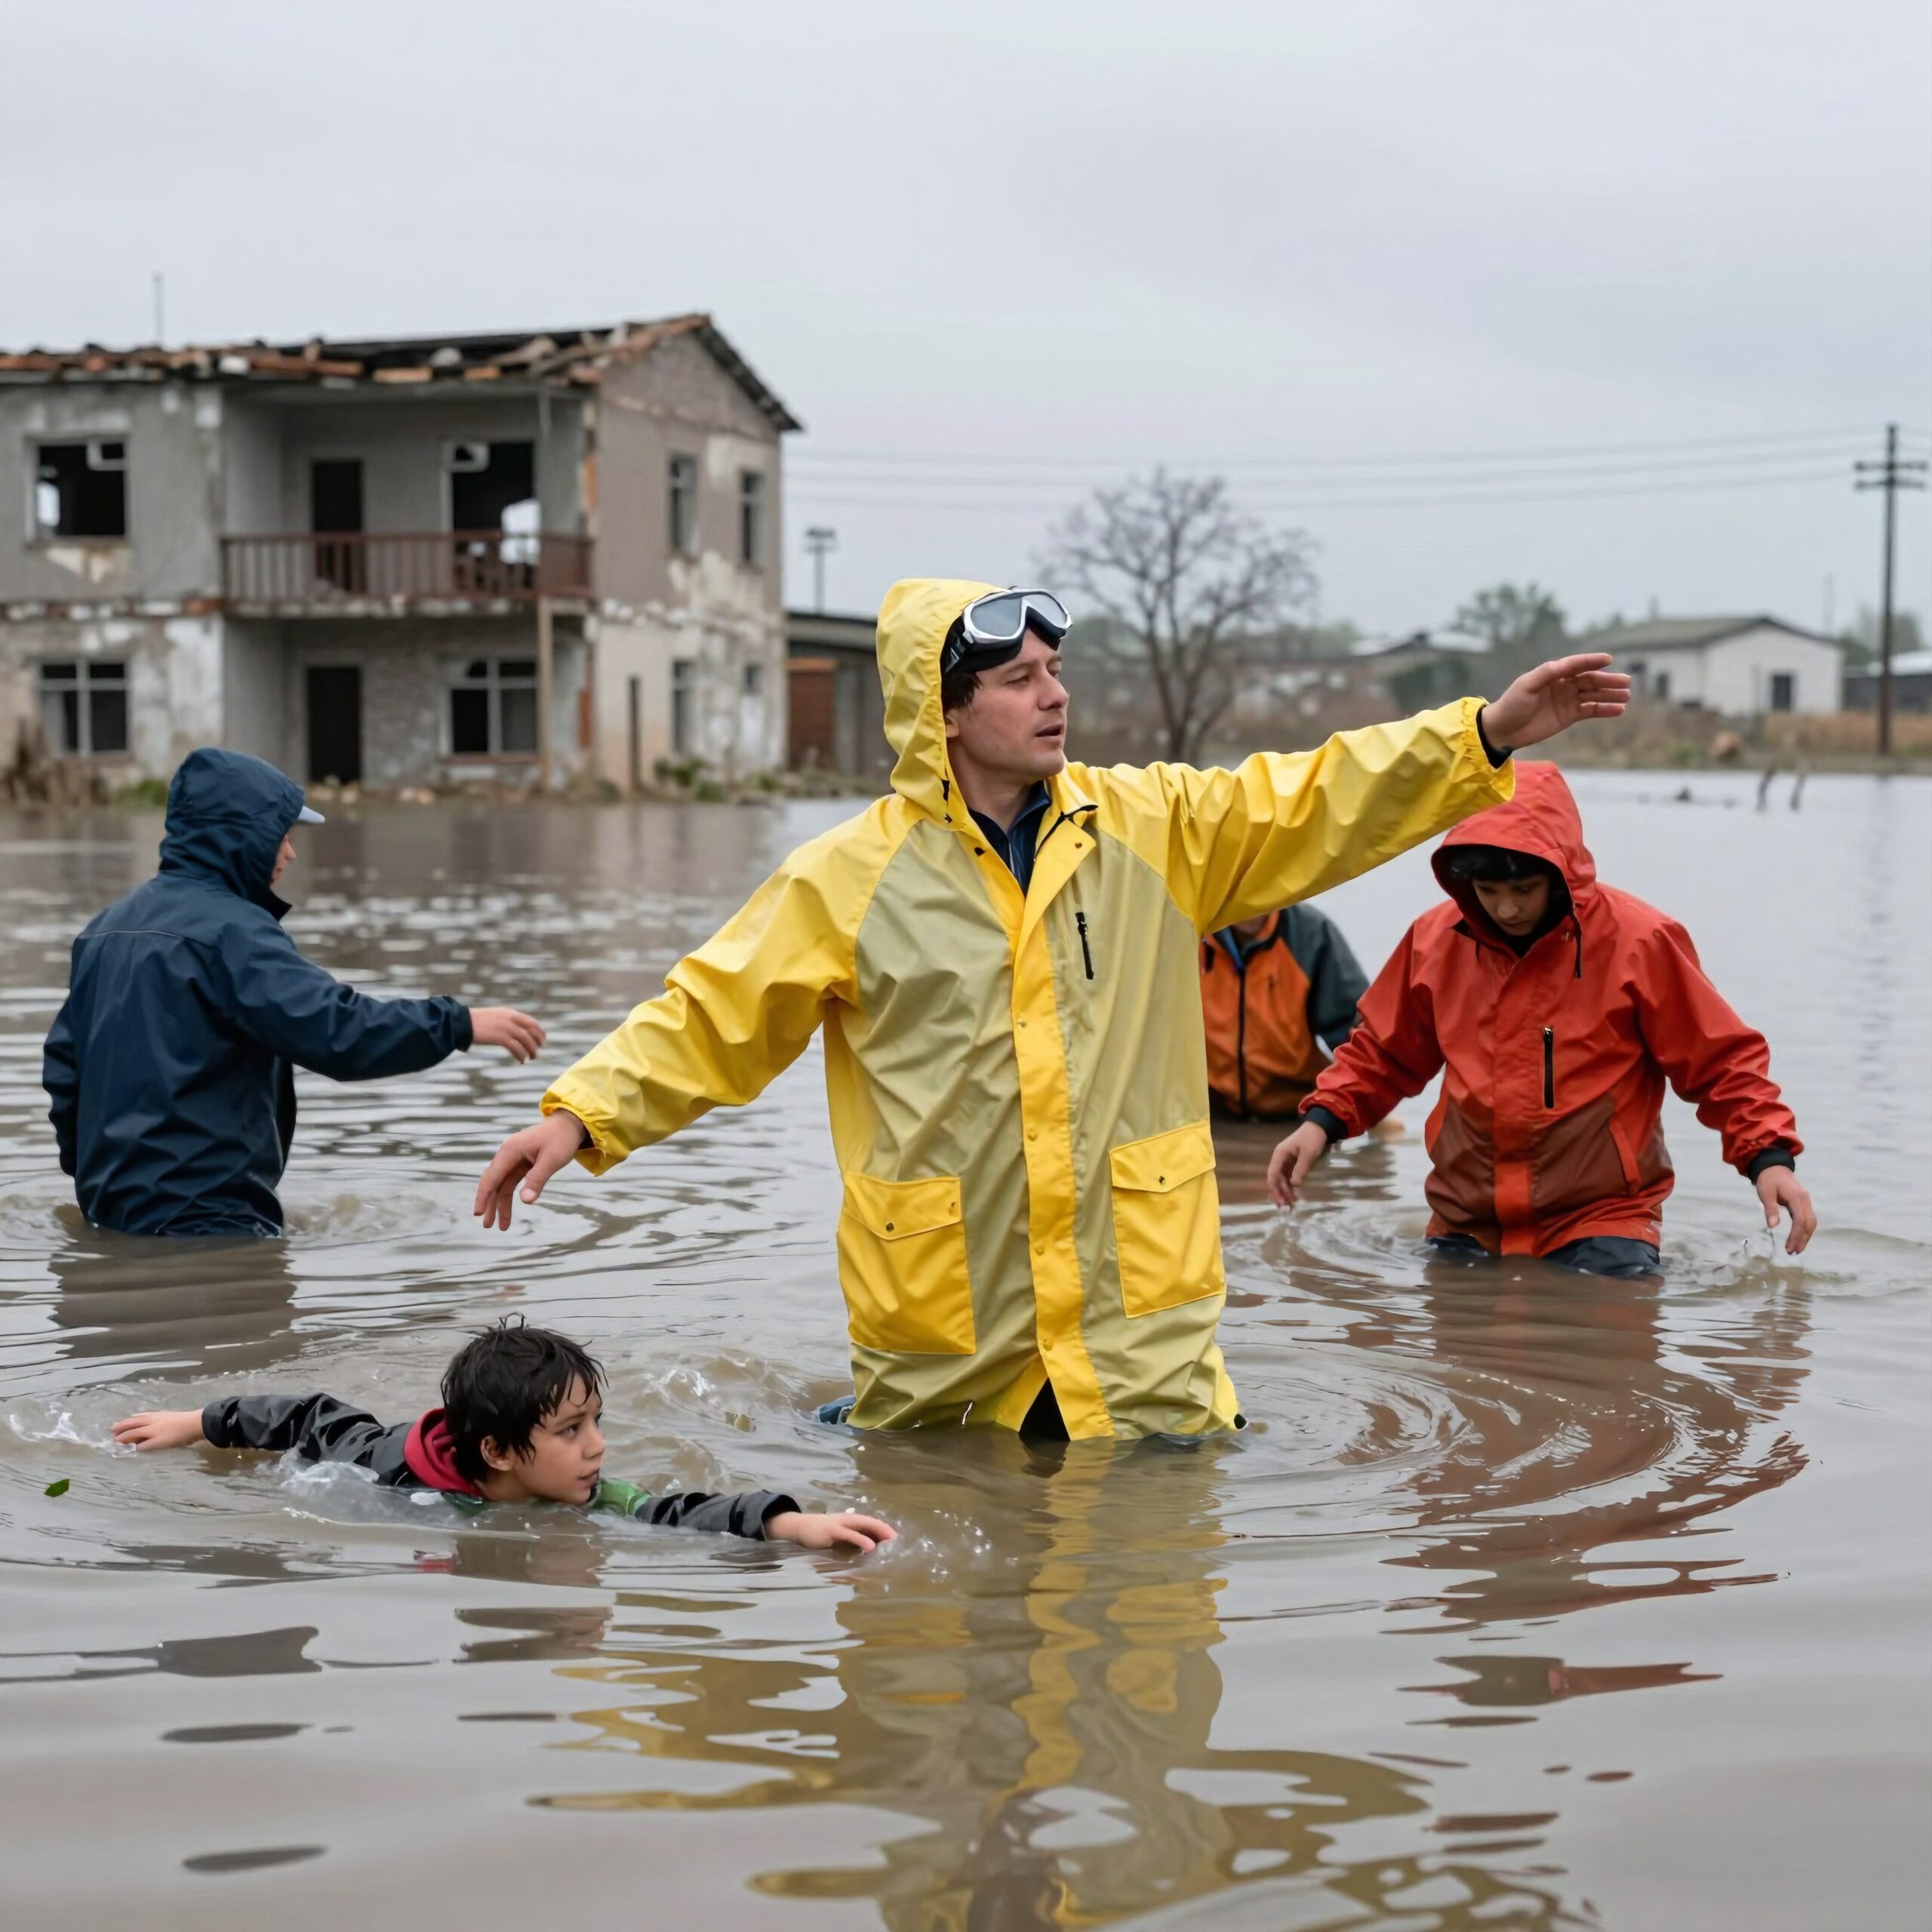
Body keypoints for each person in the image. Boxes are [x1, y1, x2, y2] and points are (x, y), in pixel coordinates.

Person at [475, 579, 1629, 1439]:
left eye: (1057, 672)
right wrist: (581, 1114)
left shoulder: (1151, 827)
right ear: (947, 710)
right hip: (949, 1343)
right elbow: (712, 1008)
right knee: (928, 1659)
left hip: (1142, 1344)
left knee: (1148, 1665)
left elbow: (1316, 796)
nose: (1056, 696)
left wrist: (1480, 735)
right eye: (1022, 680)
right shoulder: (848, 877)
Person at [1267, 761, 1815, 1276]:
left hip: (1604, 1220)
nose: (1506, 910)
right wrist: (1321, 1125)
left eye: (1523, 890)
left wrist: (1769, 1161)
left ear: (1560, 873)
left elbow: (1720, 1064)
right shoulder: (1433, 941)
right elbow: (1381, 1055)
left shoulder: (1641, 942)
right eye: (1488, 891)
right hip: (1466, 1219)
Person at [42, 747, 543, 1238]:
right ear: (242, 837)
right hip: (209, 1221)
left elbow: (65, 1070)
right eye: (281, 834)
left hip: (108, 1213)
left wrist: (95, 1176)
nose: (291, 851)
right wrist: (458, 1023)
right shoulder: (234, 933)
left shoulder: (103, 931)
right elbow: (338, 1032)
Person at [111, 1318, 897, 1552]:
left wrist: (793, 1521)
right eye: (570, 1431)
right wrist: (198, 1424)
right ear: (497, 1452)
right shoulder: (379, 1463)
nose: (596, 1448)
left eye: (595, 1423)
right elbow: (302, 1414)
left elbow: (674, 1509)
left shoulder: (586, 1494)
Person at [1199, 902, 1367, 1118]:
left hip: (1296, 1113)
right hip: (1209, 1114)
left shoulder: (1312, 934)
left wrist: (1375, 1113)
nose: (1252, 899)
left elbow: (1360, 1041)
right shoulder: (1189, 933)